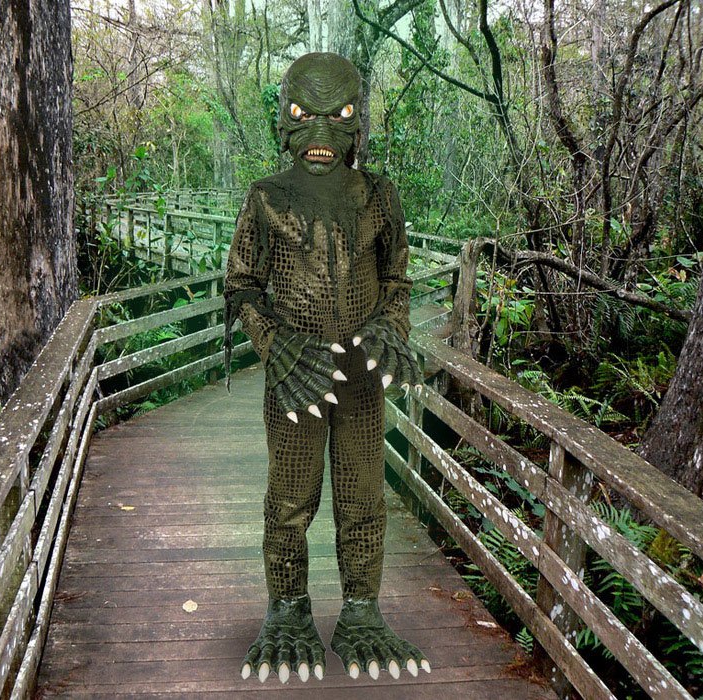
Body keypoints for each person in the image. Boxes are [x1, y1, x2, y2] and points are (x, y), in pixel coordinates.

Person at [224, 51, 430, 684]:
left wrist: (389, 324)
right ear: (283, 121)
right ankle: (288, 611)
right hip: (294, 371)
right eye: (302, 117)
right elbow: (240, 285)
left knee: (364, 498)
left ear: (356, 123)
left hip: (362, 375)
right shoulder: (265, 199)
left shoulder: (378, 196)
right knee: (290, 499)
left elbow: (396, 277)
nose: (319, 137)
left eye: (336, 117)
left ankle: (361, 611)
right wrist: (271, 340)